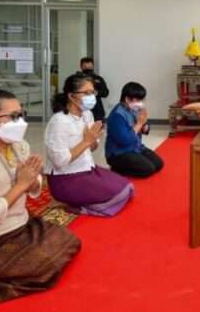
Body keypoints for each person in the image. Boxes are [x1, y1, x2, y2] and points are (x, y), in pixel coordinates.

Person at [0, 89, 81, 304]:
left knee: (68, 240)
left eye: (22, 114)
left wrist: (31, 180)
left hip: (17, 226)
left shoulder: (19, 146)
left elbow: (34, 186)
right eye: (14, 116)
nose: (21, 122)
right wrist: (20, 185)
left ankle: (7, 268)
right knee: (45, 265)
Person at [45, 73, 134, 216]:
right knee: (119, 194)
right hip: (65, 179)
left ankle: (80, 200)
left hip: (88, 169)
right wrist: (86, 141)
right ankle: (77, 206)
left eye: (93, 92)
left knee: (127, 187)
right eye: (86, 93)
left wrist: (92, 140)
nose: (91, 97)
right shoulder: (59, 121)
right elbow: (60, 162)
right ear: (71, 96)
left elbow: (93, 148)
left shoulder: (87, 115)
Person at [106, 82, 164, 178]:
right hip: (120, 153)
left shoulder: (134, 108)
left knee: (158, 164)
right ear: (127, 99)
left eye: (142, 99)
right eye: (139, 99)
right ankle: (117, 168)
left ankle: (135, 161)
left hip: (136, 147)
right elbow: (124, 140)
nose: (141, 103)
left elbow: (145, 127)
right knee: (148, 169)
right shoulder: (117, 115)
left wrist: (144, 126)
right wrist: (139, 124)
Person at [78, 57, 109, 121]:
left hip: (97, 111)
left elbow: (106, 92)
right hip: (81, 109)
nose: (88, 69)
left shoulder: (99, 79)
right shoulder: (76, 79)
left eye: (89, 67)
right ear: (81, 67)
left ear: (93, 67)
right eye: (85, 67)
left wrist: (97, 93)